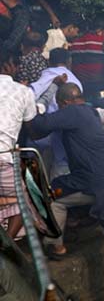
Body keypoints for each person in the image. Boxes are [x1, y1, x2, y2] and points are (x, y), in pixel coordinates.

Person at [27, 83, 104, 299]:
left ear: (64, 103)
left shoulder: (71, 112)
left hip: (96, 182)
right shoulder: (91, 112)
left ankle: (56, 246)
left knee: (54, 198)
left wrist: (37, 101)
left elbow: (39, 125)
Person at [0, 49, 37, 240]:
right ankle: (6, 246)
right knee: (24, 203)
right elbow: (32, 126)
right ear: (8, 66)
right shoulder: (23, 91)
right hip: (3, 158)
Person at [70, 17, 104, 108]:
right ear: (100, 30)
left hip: (81, 86)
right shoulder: (103, 42)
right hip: (100, 86)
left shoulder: (75, 43)